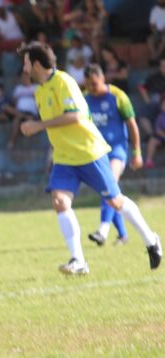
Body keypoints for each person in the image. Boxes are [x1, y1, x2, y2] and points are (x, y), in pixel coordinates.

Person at [17, 41, 162, 275]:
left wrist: (38, 126)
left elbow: (74, 116)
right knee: (59, 201)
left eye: (25, 64)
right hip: (65, 158)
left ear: (35, 64)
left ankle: (151, 239)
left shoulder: (64, 82)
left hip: (88, 153)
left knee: (116, 201)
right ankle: (78, 261)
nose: (24, 69)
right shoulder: (41, 91)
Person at [83, 65, 141, 247]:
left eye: (94, 83)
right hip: (97, 152)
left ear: (102, 78)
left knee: (110, 184)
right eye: (88, 84)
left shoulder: (118, 97)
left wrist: (136, 152)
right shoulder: (84, 100)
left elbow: (132, 124)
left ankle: (103, 229)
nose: (92, 87)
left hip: (117, 150)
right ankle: (123, 235)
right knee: (110, 192)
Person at [0, 0, 24, 78]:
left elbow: (24, 24)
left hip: (19, 39)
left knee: (18, 44)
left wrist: (26, 36)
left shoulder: (13, 15)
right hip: (7, 41)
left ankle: (23, 66)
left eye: (0, 9)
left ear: (3, 8)